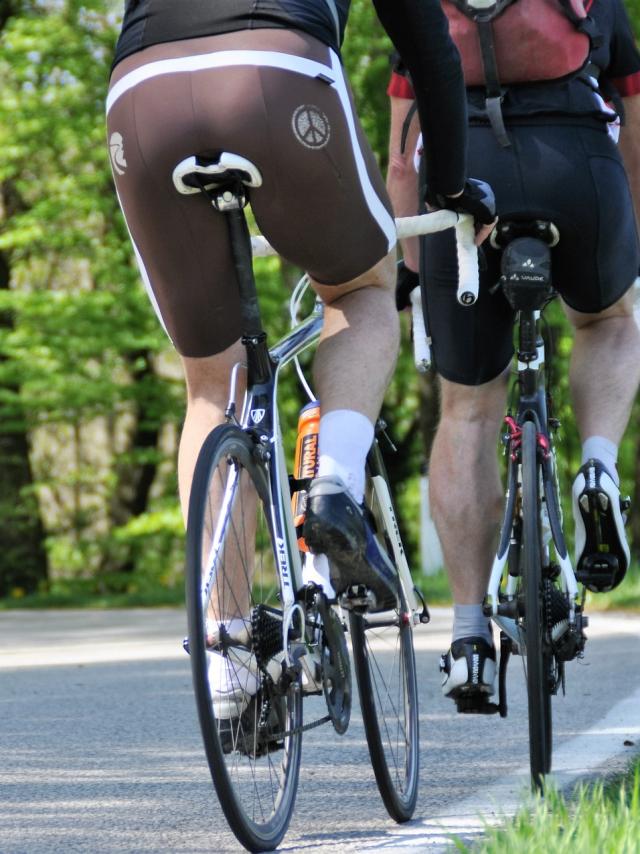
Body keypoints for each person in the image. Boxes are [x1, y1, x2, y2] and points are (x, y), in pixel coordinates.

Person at [106, 2, 494, 715]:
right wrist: (453, 185)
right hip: (276, 72)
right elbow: (429, 45)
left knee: (210, 386)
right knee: (364, 287)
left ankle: (225, 661)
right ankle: (334, 486)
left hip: (142, 93)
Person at [387, 0, 640, 711]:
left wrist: (413, 271)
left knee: (467, 407)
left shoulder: (419, 14)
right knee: (609, 323)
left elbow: (399, 162)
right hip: (576, 162)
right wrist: (630, 242)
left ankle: (469, 636)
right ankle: (596, 462)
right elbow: (637, 129)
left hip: (462, 173)